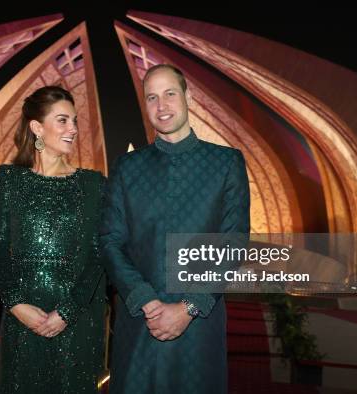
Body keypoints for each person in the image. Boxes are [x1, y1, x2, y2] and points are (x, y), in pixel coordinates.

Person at [101, 64, 251, 394]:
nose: (161, 105)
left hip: (199, 328)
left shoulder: (227, 163)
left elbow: (234, 242)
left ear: (187, 96)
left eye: (170, 94)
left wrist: (188, 308)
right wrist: (145, 301)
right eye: (152, 97)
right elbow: (111, 240)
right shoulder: (128, 167)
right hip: (140, 323)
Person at [0, 85, 106, 393]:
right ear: (37, 127)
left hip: (75, 321)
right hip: (22, 317)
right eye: (63, 120)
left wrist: (67, 312)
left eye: (75, 121)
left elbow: (98, 255)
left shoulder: (93, 185)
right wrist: (15, 304)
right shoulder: (9, 179)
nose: (74, 129)